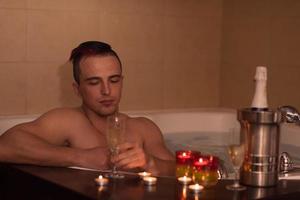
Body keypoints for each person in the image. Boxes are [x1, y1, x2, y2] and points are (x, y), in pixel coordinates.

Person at [0, 41, 175, 176]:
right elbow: (5, 146)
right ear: (77, 89)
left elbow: (180, 170)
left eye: (114, 80)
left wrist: (151, 163)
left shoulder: (143, 128)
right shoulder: (69, 122)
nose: (106, 90)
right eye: (94, 82)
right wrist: (81, 157)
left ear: (122, 82)